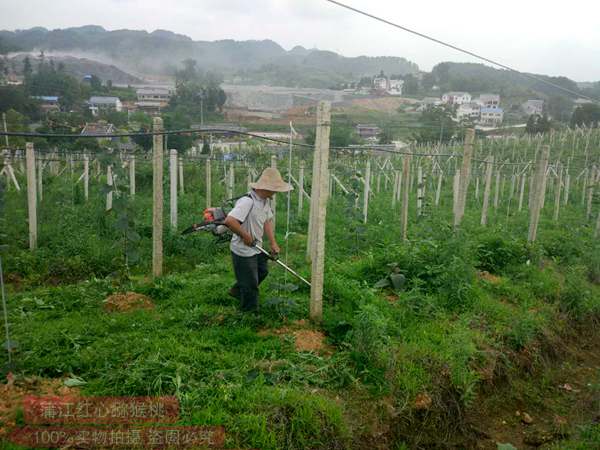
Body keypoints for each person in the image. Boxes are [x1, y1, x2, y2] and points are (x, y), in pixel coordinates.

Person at [223, 167, 293, 312]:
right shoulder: (247, 202)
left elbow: (267, 221)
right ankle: (249, 313)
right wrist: (246, 236)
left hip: (256, 247)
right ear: (266, 188)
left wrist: (273, 242)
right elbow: (230, 221)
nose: (275, 192)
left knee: (263, 271)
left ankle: (238, 290)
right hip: (243, 249)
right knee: (251, 284)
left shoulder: (264, 201)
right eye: (274, 189)